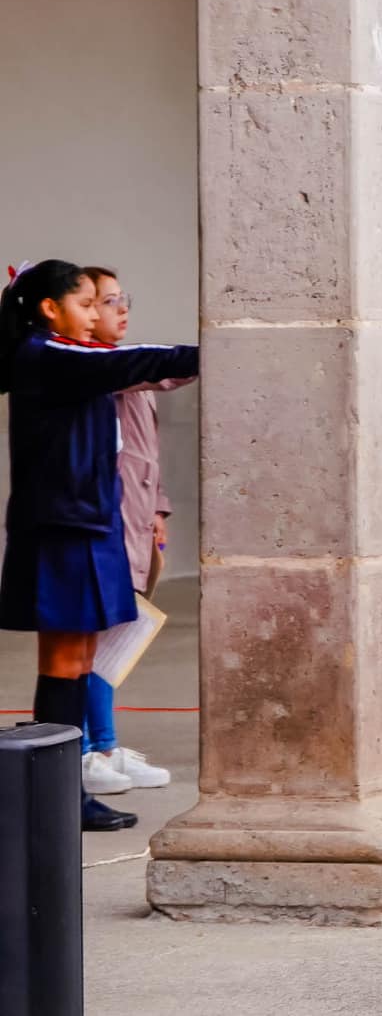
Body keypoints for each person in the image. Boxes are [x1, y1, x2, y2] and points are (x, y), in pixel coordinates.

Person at [0, 260, 197, 832]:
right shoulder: (49, 354)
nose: (98, 316)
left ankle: (65, 789)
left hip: (89, 524)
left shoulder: (66, 356)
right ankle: (57, 796)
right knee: (64, 663)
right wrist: (215, 351)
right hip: (65, 529)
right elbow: (144, 359)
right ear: (48, 308)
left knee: (81, 660)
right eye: (87, 305)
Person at [73, 265, 188, 797]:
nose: (120, 310)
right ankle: (90, 749)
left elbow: (146, 456)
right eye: (108, 300)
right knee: (94, 640)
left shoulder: (128, 376)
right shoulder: (99, 367)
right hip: (104, 525)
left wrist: (158, 511)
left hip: (136, 524)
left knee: (117, 637)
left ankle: (105, 744)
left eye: (123, 299)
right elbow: (165, 370)